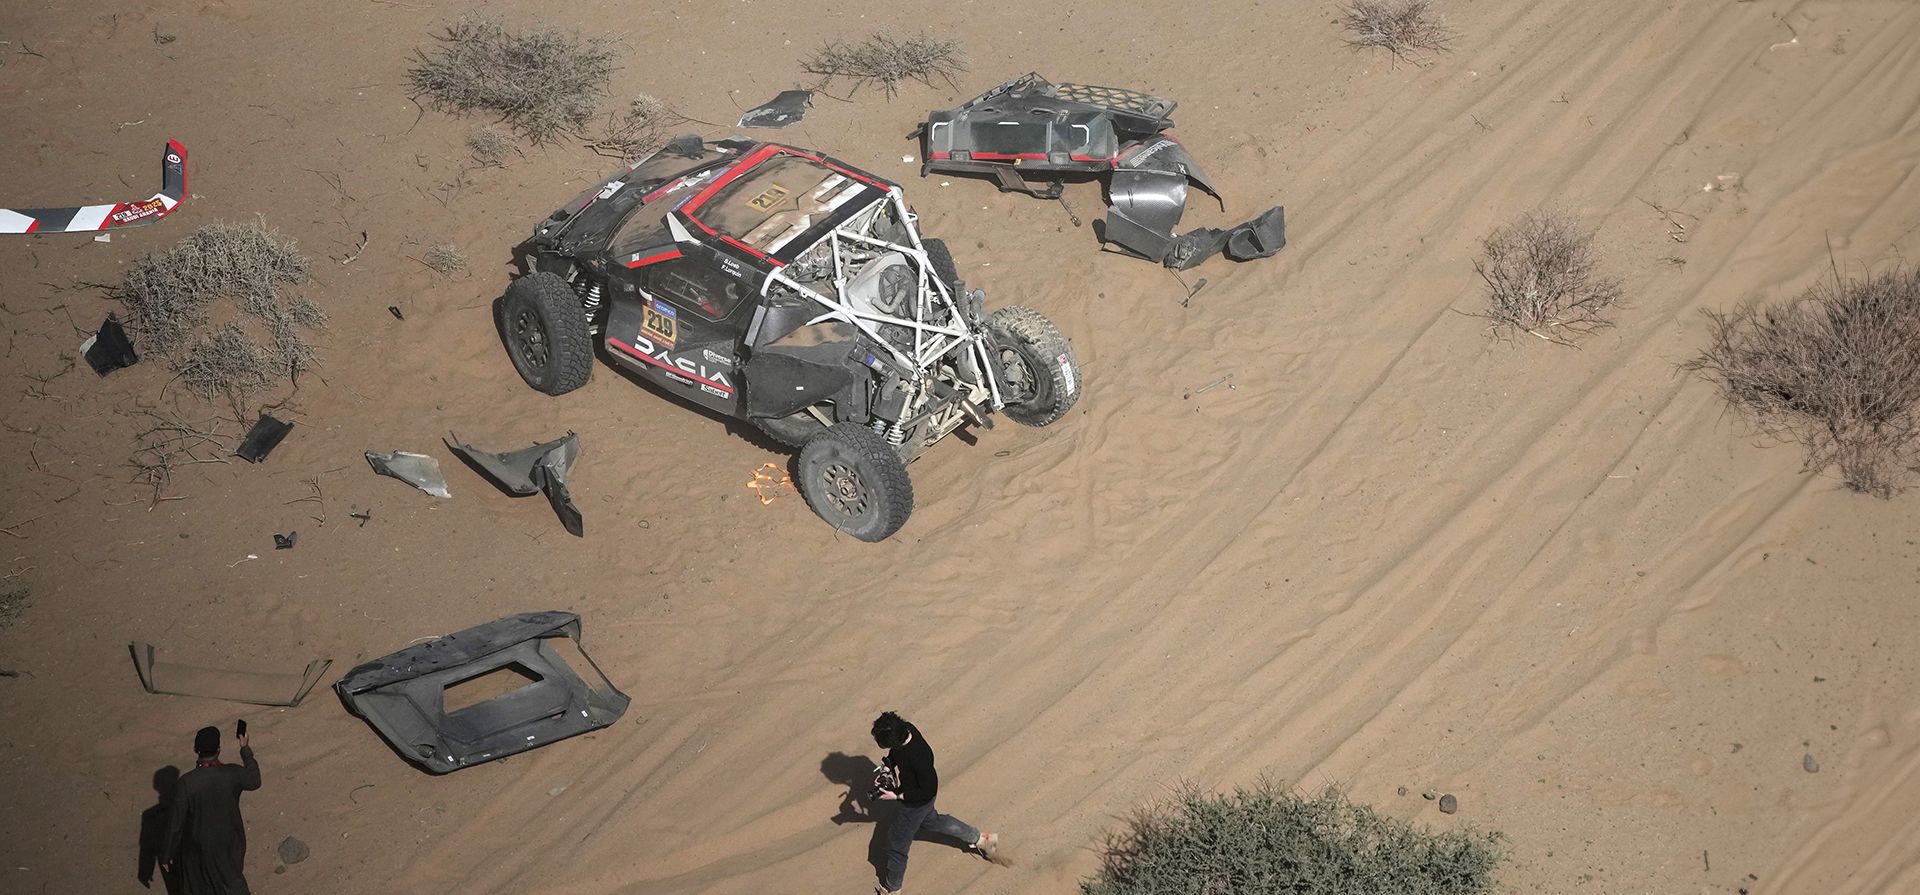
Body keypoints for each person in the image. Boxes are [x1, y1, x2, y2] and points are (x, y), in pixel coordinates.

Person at [870, 711, 999, 894]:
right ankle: (984, 840)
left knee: (896, 844)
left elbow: (927, 790)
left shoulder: (918, 758)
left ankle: (892, 889)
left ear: (896, 740)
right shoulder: (906, 729)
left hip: (917, 802)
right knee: (933, 821)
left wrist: (896, 796)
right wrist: (888, 764)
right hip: (920, 798)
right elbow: (897, 752)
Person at [163, 725, 261, 895]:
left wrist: (167, 854)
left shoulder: (187, 782)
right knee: (233, 884)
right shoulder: (232, 773)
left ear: (196, 749)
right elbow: (254, 780)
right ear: (219, 749)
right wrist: (245, 749)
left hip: (198, 848)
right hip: (229, 843)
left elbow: (176, 823)